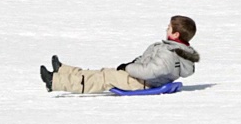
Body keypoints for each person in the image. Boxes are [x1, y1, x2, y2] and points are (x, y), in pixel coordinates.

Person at [40, 16, 200, 94]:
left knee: (103, 79)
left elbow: (151, 71)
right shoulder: (173, 49)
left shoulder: (169, 53)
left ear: (176, 35)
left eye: (169, 28)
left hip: (143, 82)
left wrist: (129, 68)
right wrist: (130, 66)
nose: (166, 29)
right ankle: (63, 71)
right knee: (104, 73)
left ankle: (54, 81)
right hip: (140, 78)